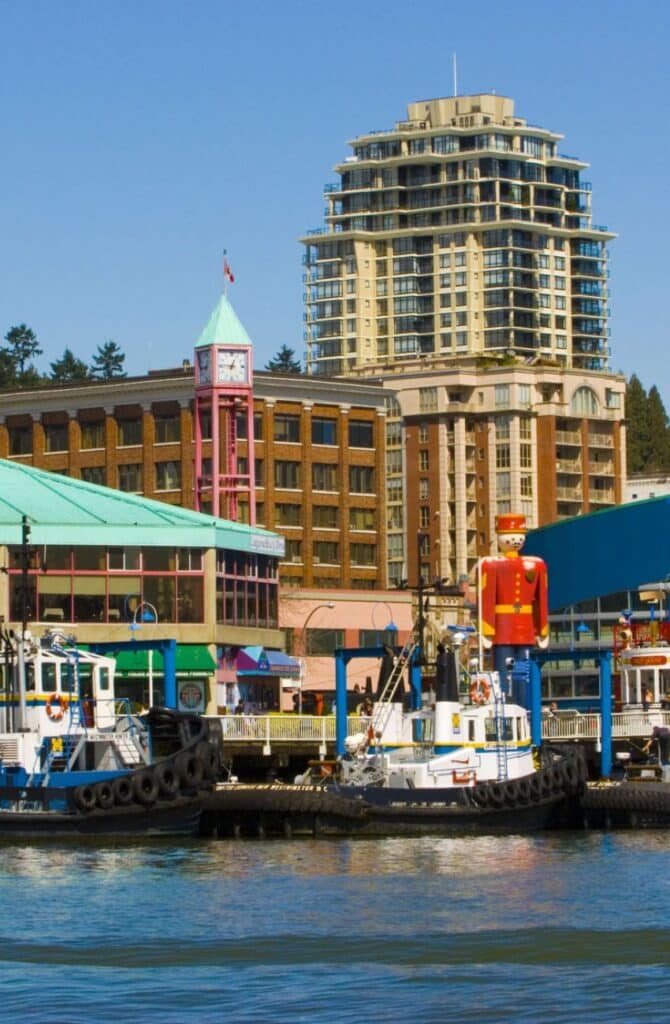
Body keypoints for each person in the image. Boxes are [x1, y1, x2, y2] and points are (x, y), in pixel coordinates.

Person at [479, 513, 549, 678]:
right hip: (503, 627)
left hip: (525, 627)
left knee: (523, 671)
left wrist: (542, 629)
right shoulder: (490, 565)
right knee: (504, 668)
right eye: (511, 536)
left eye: (519, 536)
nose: (516, 541)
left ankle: (523, 701)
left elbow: (542, 598)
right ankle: (505, 698)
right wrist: (487, 629)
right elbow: (487, 598)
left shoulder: (536, 564)